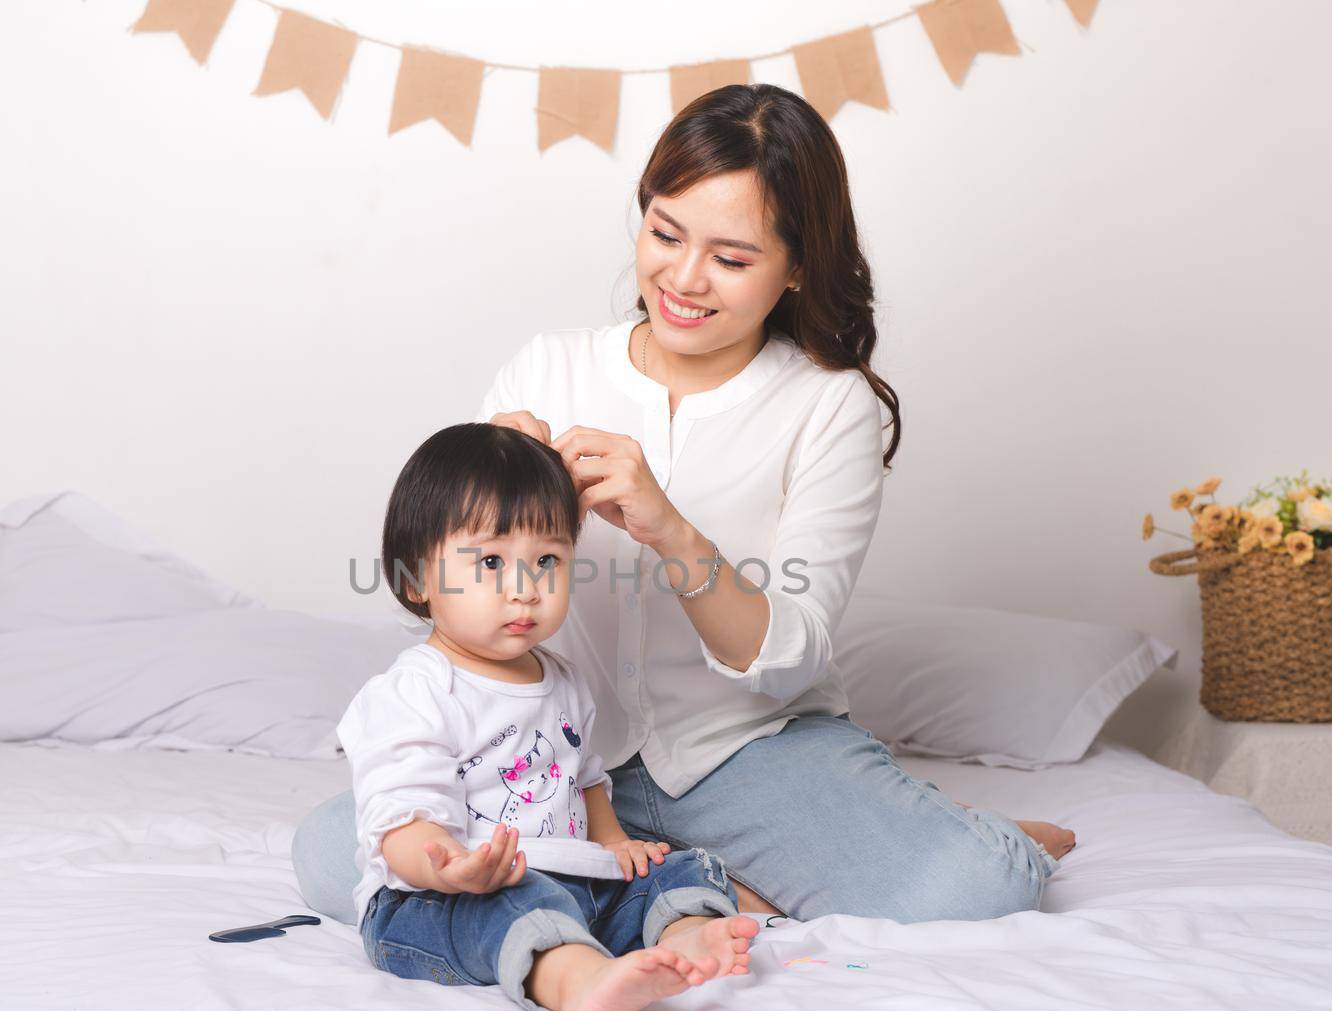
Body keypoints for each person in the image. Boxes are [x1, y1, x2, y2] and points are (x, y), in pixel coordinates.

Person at [296, 82, 1073, 931]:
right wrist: (500, 488)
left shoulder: (829, 403)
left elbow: (791, 652)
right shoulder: (547, 369)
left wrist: (668, 527)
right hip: (554, 754)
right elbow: (461, 589)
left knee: (975, 889)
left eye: (733, 259)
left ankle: (916, 836)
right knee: (337, 855)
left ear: (799, 266)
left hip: (750, 752)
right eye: (664, 233)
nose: (685, 278)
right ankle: (699, 886)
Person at [342, 422, 758, 1011]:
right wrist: (450, 867)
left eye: (547, 560)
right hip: (438, 900)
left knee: (673, 867)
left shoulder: (560, 678)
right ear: (416, 580)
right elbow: (401, 817)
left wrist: (614, 842)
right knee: (515, 907)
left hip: (569, 877)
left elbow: (583, 778)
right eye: (489, 561)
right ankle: (579, 983)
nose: (525, 588)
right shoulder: (417, 691)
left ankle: (685, 933)